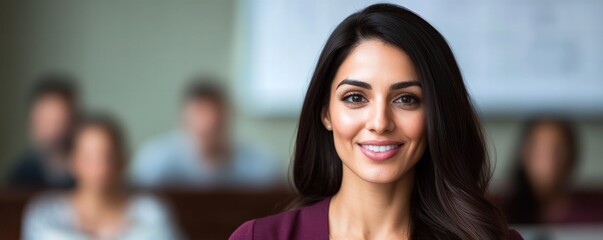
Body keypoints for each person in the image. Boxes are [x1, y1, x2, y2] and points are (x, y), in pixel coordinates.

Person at [230, 4, 522, 240]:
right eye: (355, 97)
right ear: (326, 113)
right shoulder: (259, 237)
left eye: (406, 99)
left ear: (437, 114)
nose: (380, 122)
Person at [23, 115, 181, 240]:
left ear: (122, 160)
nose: (100, 168)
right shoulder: (46, 215)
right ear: (73, 162)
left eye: (108, 157)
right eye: (89, 158)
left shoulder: (151, 215)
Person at [129, 77, 282, 189]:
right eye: (199, 114)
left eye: (215, 118)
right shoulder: (155, 161)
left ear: (228, 118)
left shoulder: (259, 164)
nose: (207, 124)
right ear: (183, 119)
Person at [505, 117, 602, 224]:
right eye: (540, 152)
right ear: (524, 156)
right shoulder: (502, 217)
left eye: (558, 151)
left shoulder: (592, 220)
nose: (549, 163)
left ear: (572, 157)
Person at [6, 74, 79, 188]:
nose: (52, 132)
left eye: (59, 121)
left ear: (74, 121)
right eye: (45, 120)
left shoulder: (91, 175)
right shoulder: (20, 176)